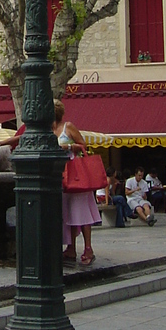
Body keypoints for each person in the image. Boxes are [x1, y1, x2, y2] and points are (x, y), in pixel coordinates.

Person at [54, 98, 100, 265]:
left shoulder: (69, 127)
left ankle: (88, 248)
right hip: (61, 175)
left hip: (76, 174)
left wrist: (69, 147)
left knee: (81, 213)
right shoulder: (48, 130)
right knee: (68, 213)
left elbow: (83, 145)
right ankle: (71, 247)